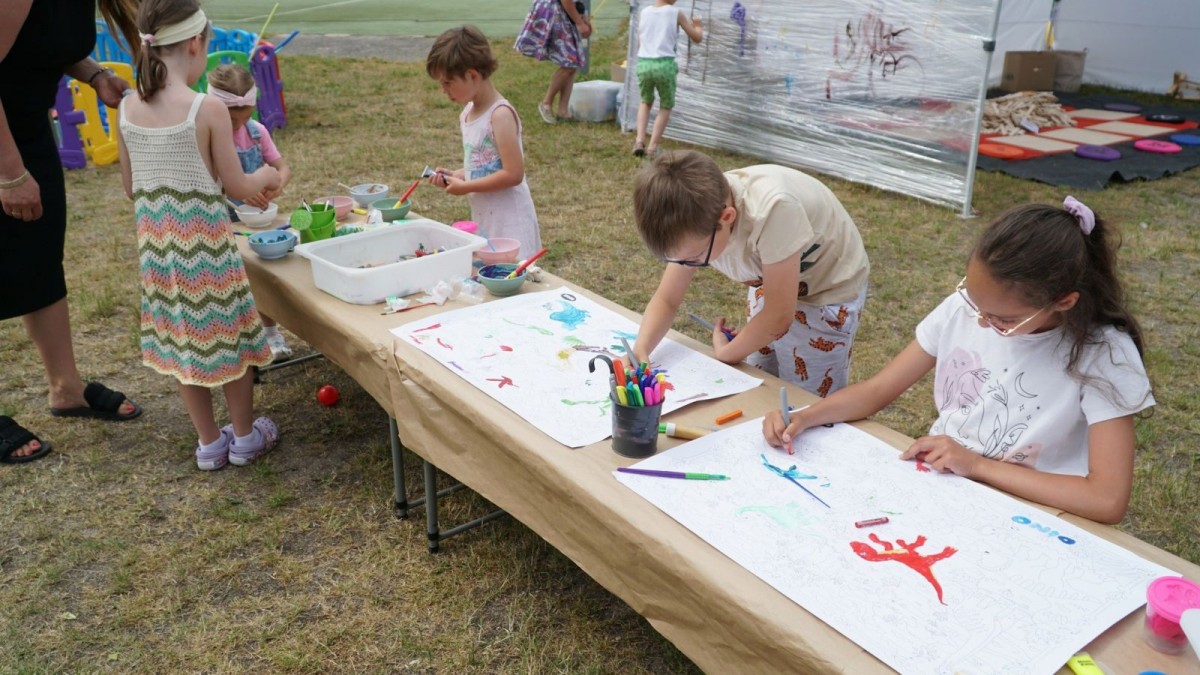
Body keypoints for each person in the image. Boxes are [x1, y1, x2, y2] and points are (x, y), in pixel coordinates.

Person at [763, 199, 1153, 524]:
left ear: (1064, 302)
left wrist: (977, 465)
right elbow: (879, 389)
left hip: (1035, 515)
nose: (981, 322)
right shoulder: (963, 310)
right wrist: (807, 416)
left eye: (1002, 319)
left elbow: (1106, 500)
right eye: (975, 302)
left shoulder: (1106, 356)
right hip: (944, 491)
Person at [117, 0, 282, 470]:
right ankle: (246, 438)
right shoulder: (205, 108)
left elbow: (132, 188)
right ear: (195, 43)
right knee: (228, 343)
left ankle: (209, 444)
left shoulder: (127, 106)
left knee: (184, 343)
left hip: (160, 256)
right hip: (208, 252)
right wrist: (268, 174)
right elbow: (237, 185)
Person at [0, 0, 143, 464]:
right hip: (4, 140)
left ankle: (67, 389)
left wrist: (95, 74)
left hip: (25, 124)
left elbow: (40, 40)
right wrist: (10, 173)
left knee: (39, 253)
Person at [632, 150, 869, 399]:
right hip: (773, 280)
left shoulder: (773, 211)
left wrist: (728, 353)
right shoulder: (697, 215)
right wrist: (642, 348)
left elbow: (778, 316)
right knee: (761, 382)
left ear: (727, 218)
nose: (685, 265)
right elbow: (667, 299)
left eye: (692, 259)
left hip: (827, 290)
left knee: (806, 400)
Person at [426, 26, 543, 260]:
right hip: (488, 218)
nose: (443, 90)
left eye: (448, 82)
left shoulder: (499, 115)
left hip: (511, 221)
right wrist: (459, 175)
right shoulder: (468, 113)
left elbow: (513, 174)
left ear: (472, 75)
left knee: (515, 277)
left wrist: (466, 187)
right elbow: (485, 164)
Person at [207, 63, 293, 359]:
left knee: (262, 274)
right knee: (234, 281)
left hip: (258, 220)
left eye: (244, 118)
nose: (238, 126)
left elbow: (281, 166)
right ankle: (237, 338)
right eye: (232, 120)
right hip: (225, 220)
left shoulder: (256, 132)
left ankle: (271, 333)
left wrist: (277, 183)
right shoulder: (208, 137)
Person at [632, 0, 703, 157]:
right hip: (664, 64)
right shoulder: (675, 12)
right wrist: (698, 25)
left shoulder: (644, 12)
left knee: (645, 101)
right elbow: (697, 38)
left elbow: (639, 42)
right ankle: (652, 147)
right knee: (666, 105)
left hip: (644, 63)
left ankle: (639, 141)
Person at [514, 0, 591, 124]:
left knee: (571, 63)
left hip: (564, 10)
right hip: (555, 11)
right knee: (569, 62)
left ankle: (563, 112)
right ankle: (546, 103)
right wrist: (579, 22)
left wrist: (581, 15)